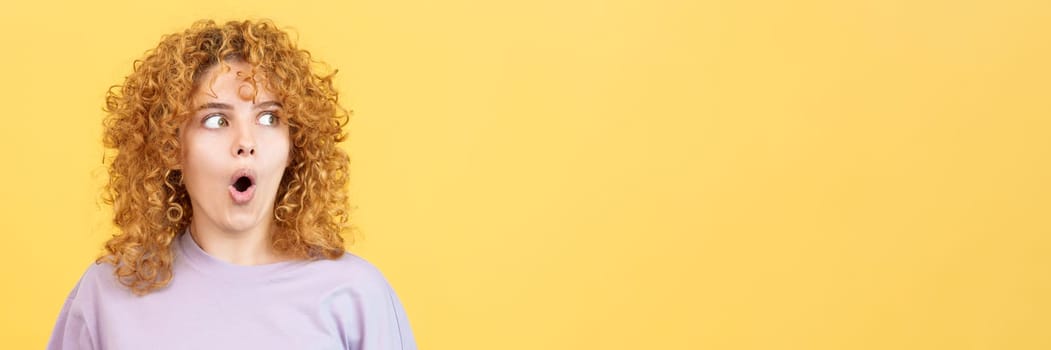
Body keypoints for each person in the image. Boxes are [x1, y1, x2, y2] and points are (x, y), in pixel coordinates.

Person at [47, 19, 416, 350]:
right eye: (215, 121)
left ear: (294, 146)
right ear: (171, 147)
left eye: (269, 118)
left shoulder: (355, 295)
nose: (246, 141)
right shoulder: (106, 296)